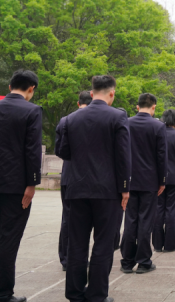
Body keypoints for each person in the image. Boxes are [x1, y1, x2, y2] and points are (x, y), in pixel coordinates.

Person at [56, 75, 131, 302]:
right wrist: (125, 188)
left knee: (77, 243)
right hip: (108, 191)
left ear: (91, 93)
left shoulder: (69, 119)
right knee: (104, 243)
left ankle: (75, 293)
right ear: (112, 93)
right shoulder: (118, 117)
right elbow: (123, 157)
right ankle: (97, 294)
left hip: (77, 189)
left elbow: (63, 152)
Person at [0, 69, 43, 302]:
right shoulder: (32, 111)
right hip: (16, 185)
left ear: (10, 84)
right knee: (8, 238)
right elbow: (32, 151)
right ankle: (1, 293)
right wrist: (32, 184)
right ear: (31, 88)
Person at [120, 93, 166, 274]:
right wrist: (162, 180)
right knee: (146, 220)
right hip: (149, 180)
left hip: (130, 179)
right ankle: (144, 260)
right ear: (153, 107)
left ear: (137, 106)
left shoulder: (127, 123)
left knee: (130, 219)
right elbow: (162, 156)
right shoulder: (158, 126)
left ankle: (127, 260)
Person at [58, 90, 92, 271]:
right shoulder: (98, 119)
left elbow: (60, 149)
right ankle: (81, 257)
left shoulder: (66, 120)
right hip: (92, 177)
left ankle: (66, 258)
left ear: (78, 103)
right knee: (86, 222)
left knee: (67, 218)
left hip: (69, 175)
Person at [152, 109, 175, 253]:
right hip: (174, 178)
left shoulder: (156, 135)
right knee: (172, 210)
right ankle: (170, 244)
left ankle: (158, 244)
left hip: (157, 178)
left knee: (158, 209)